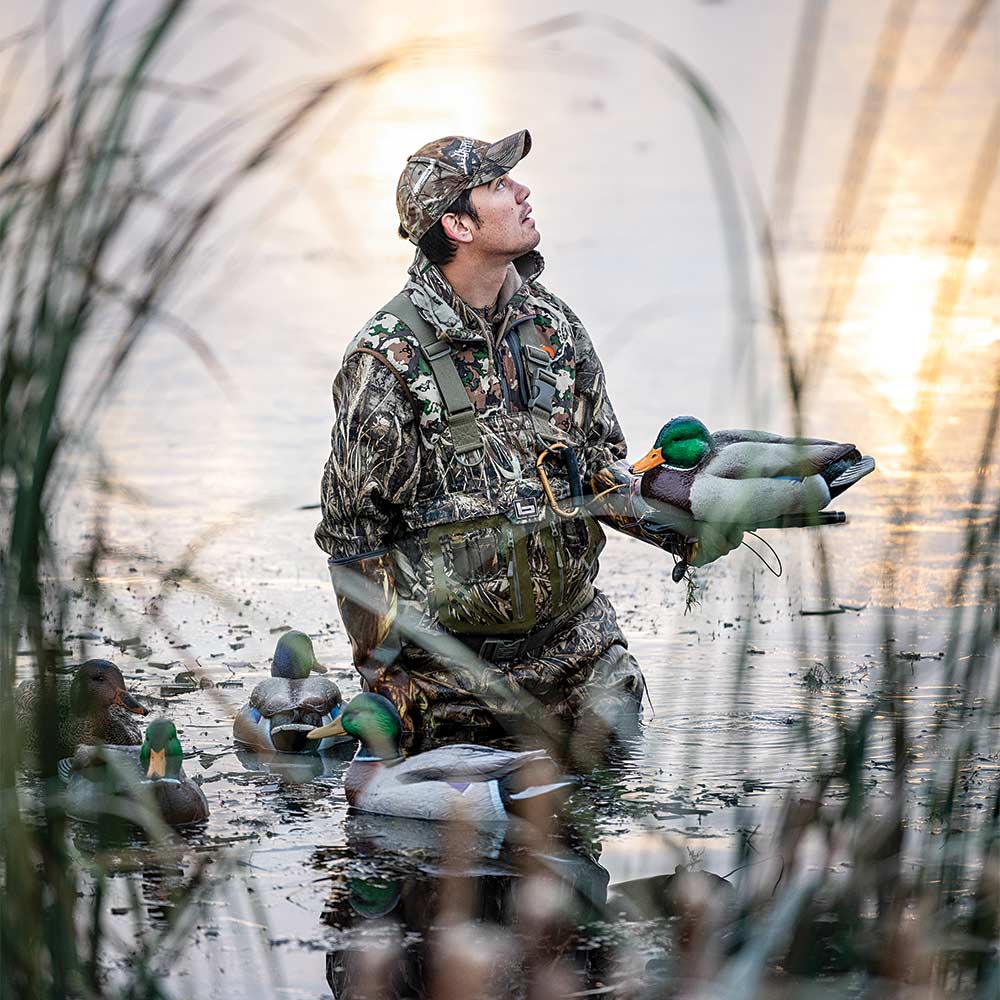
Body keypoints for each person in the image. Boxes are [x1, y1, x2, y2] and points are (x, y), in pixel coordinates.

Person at [315, 130, 739, 744]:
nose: (522, 191)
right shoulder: (385, 361)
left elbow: (597, 472)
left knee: (610, 819)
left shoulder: (554, 326)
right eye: (496, 184)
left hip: (583, 657)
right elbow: (354, 532)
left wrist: (682, 530)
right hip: (455, 685)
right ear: (457, 225)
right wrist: (384, 674)